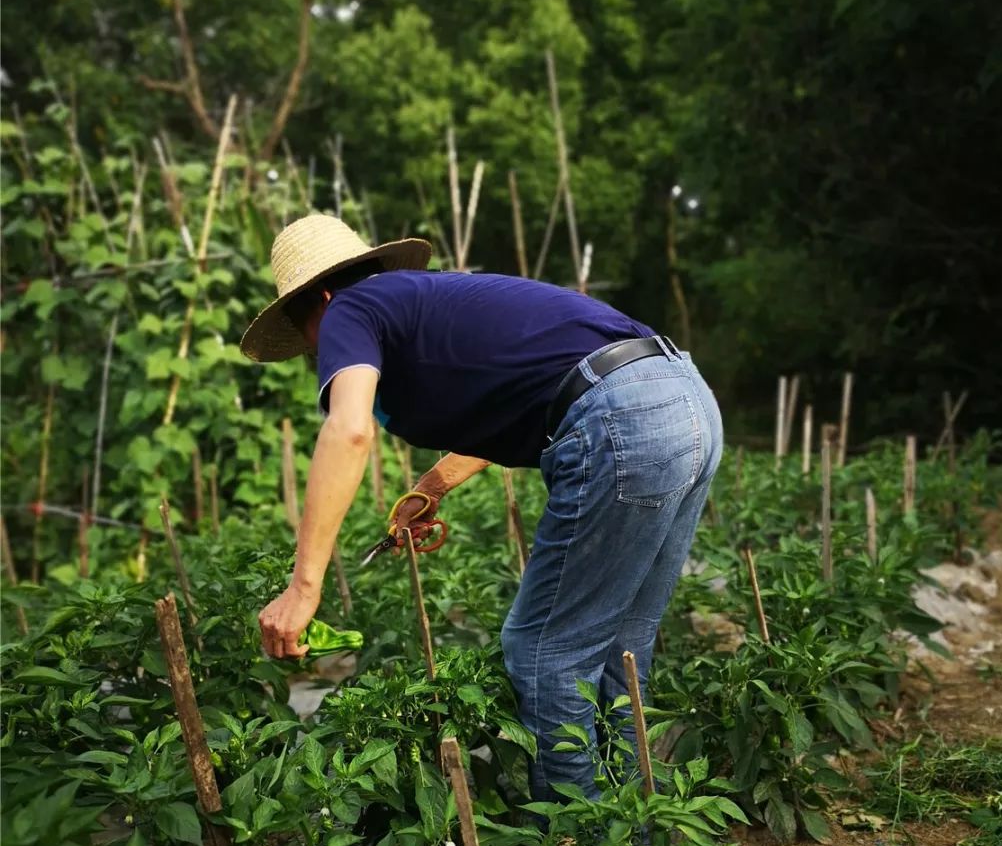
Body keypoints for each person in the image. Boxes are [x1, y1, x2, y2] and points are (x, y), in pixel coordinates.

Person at [246, 213, 723, 799]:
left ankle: (581, 842)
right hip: (684, 397)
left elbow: (348, 432)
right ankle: (638, 830)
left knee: (544, 650)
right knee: (621, 642)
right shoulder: (426, 304)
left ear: (320, 297)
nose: (314, 352)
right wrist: (435, 486)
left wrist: (303, 586)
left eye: (305, 331)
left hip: (623, 416)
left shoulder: (351, 307)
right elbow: (526, 382)